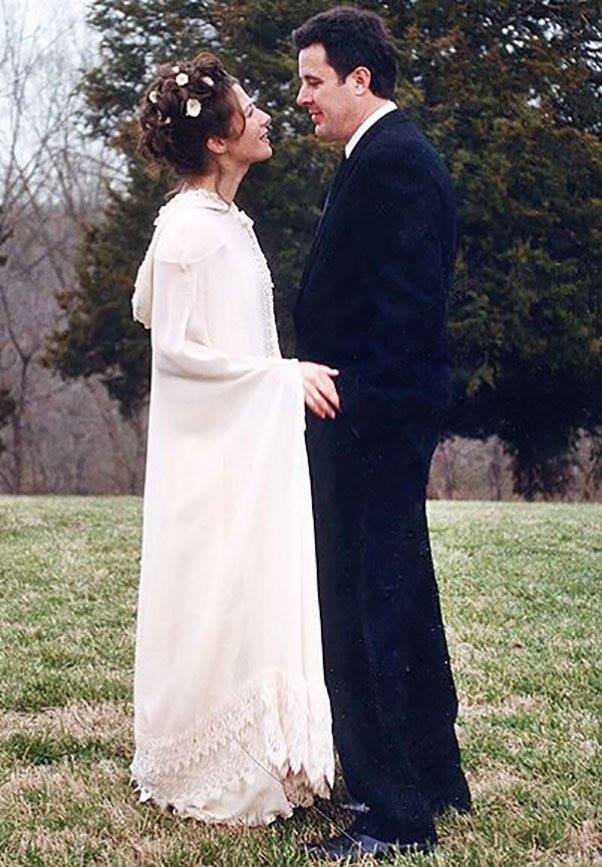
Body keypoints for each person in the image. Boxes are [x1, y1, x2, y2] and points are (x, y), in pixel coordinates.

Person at [129, 52, 337, 826]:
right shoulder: (190, 231)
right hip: (210, 458)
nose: (266, 116)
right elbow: (177, 349)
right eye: (248, 112)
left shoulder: (224, 224)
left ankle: (261, 753)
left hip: (240, 447)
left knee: (243, 587)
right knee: (217, 591)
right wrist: (283, 379)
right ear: (217, 141)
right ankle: (213, 761)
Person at [292, 7, 472, 860]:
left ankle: (396, 816)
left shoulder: (394, 163)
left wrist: (350, 401)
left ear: (361, 80)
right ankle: (436, 778)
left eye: (313, 81)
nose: (302, 99)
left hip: (370, 425)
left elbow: (407, 317)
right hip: (374, 422)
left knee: (372, 612)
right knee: (401, 599)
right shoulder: (381, 157)